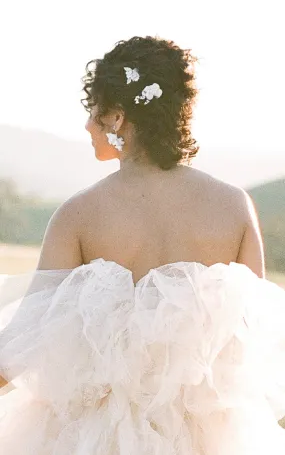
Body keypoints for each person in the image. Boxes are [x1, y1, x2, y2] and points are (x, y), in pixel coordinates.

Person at [0, 35, 285, 454]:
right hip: (211, 437)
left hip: (93, 435)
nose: (86, 125)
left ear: (117, 117)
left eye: (92, 112)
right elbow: (256, 342)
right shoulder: (234, 206)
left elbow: (24, 343)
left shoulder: (78, 214)